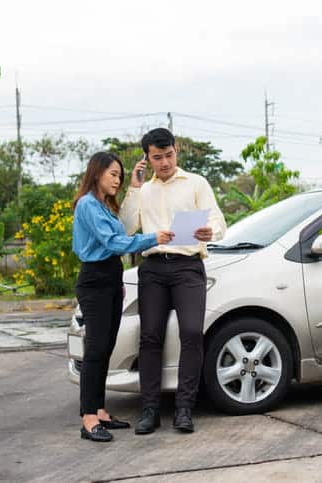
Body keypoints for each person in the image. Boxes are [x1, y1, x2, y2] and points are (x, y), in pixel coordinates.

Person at [120, 128, 226, 434]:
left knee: (192, 333)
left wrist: (211, 232)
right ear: (147, 157)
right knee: (150, 337)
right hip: (152, 268)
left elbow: (218, 222)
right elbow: (127, 229)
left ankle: (184, 409)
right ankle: (150, 409)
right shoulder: (143, 190)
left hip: (188, 266)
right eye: (157, 157)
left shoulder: (196, 183)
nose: (164, 162)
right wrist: (134, 188)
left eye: (169, 155)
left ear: (176, 150)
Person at [72, 152, 174, 442]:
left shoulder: (105, 207)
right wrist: (154, 238)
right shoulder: (88, 205)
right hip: (94, 281)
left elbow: (126, 226)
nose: (116, 179)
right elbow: (115, 242)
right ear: (96, 173)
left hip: (111, 280)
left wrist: (134, 185)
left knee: (105, 348)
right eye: (112, 174)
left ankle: (99, 410)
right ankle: (88, 418)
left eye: (119, 175)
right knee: (95, 349)